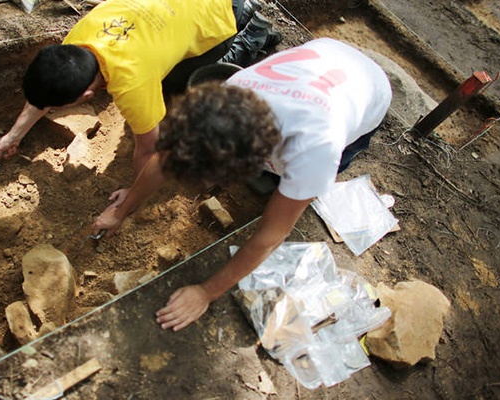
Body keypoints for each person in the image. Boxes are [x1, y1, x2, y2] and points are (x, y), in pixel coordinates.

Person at [92, 38, 393, 331]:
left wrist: (206, 292)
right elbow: (164, 157)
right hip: (325, 53)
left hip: (369, 90)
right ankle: (287, 189)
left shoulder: (317, 150)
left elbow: (271, 236)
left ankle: (290, 190)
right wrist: (123, 208)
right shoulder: (227, 98)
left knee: (295, 194)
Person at [0, 0, 280, 203]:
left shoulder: (133, 83)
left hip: (217, 13)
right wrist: (13, 135)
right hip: (176, 8)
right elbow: (47, 88)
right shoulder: (75, 43)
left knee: (180, 82)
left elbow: (150, 149)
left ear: (86, 97)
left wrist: (132, 193)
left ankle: (249, 37)